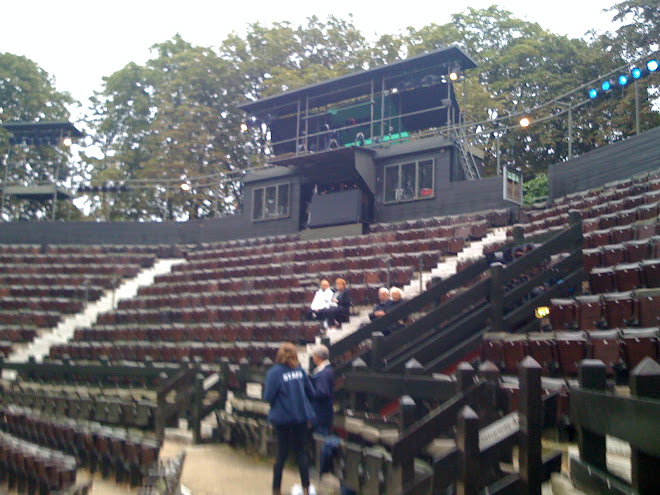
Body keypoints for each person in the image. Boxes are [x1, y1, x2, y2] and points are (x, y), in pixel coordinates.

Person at [264, 342, 316, 495]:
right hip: (300, 417)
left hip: (282, 418)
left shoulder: (274, 372)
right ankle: (306, 488)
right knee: (301, 454)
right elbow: (311, 393)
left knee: (281, 455)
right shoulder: (299, 370)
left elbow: (268, 396)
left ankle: (276, 490)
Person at [310, 345, 334, 436]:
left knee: (321, 439)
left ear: (318, 356)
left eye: (314, 355)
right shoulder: (325, 371)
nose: (313, 357)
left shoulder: (323, 373)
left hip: (321, 415)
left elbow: (322, 393)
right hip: (321, 414)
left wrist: (309, 392)